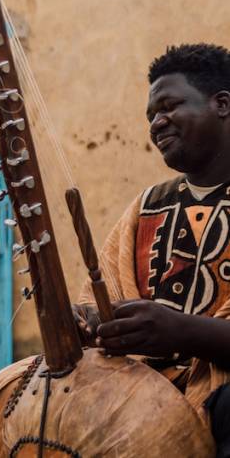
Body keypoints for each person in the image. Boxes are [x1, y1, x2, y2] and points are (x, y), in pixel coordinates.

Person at [74, 43, 230, 457]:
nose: (157, 123)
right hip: (142, 384)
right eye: (150, 116)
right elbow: (102, 293)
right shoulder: (147, 206)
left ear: (222, 104)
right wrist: (93, 321)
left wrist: (181, 331)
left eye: (169, 106)